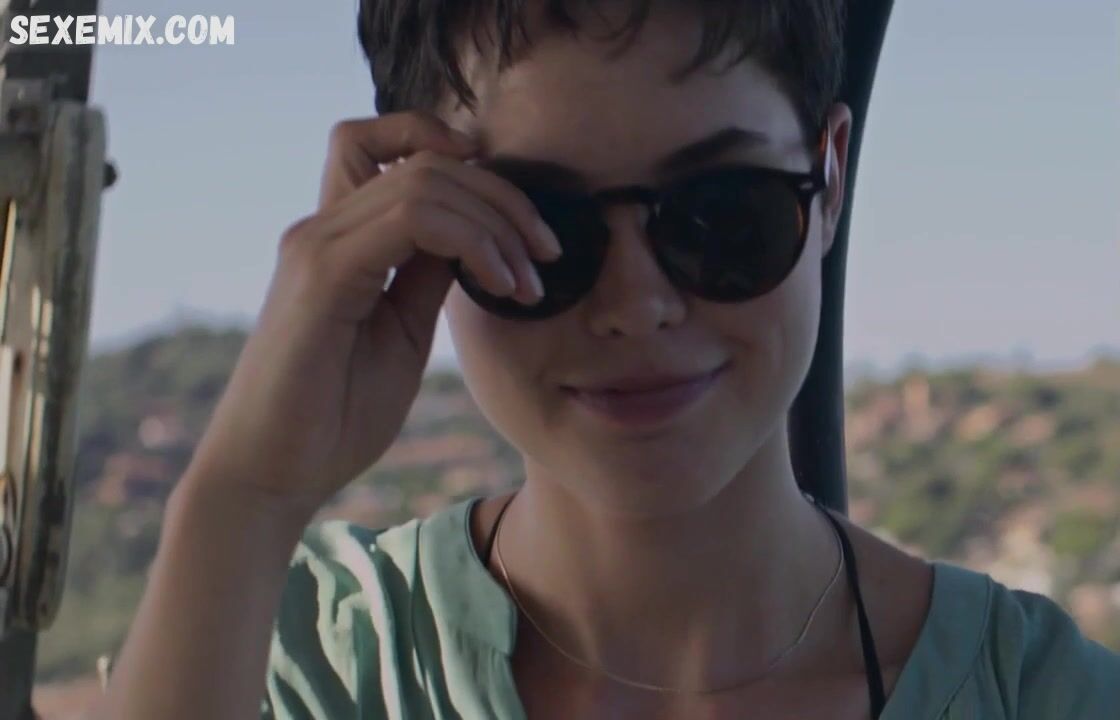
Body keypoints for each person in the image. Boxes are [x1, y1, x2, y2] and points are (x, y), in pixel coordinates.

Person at [91, 1, 1120, 718]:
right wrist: (246, 496)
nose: (636, 307)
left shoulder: (1039, 696)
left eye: (721, 213)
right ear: (412, 223)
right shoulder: (300, 664)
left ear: (831, 179)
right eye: (542, 224)